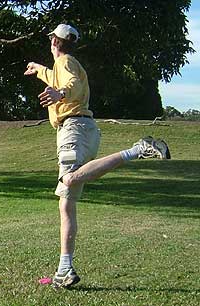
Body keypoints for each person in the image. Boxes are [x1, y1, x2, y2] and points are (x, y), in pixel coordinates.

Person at [24, 24, 171, 289]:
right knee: (66, 202)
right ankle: (64, 269)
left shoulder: (66, 63)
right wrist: (39, 71)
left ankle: (138, 149)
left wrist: (60, 93)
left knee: (68, 182)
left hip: (73, 130)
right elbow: (61, 78)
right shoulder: (68, 63)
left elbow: (69, 84)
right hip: (85, 130)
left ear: (55, 42)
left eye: (51, 40)